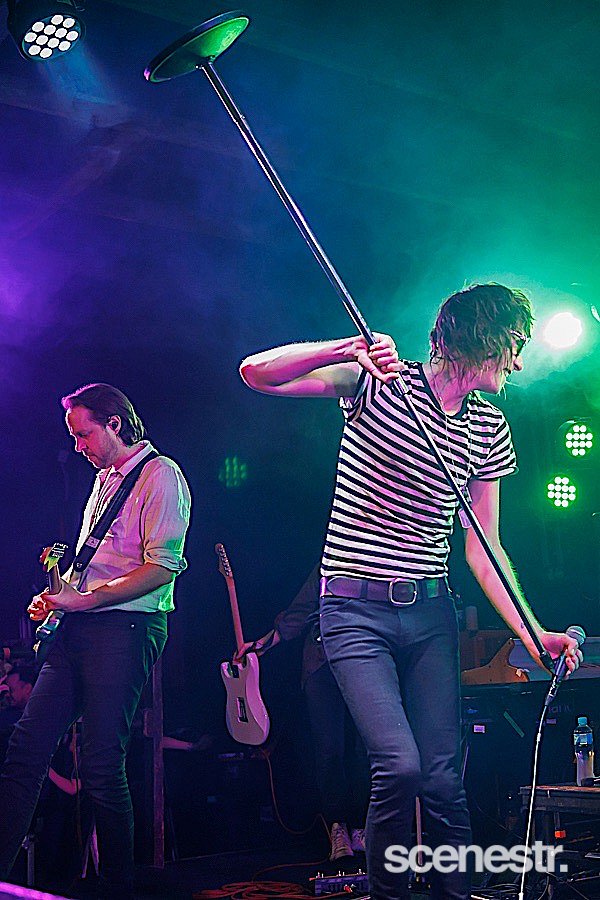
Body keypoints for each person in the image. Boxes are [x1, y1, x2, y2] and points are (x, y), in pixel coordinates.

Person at [239, 283, 583, 900]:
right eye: (513, 343)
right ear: (477, 339)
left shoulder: (489, 427)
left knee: (443, 780)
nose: (518, 361)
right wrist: (345, 349)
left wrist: (534, 634)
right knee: (399, 766)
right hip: (352, 612)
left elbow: (485, 549)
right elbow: (256, 374)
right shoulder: (378, 383)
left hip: (428, 615)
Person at [0, 383, 191, 899]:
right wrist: (59, 596)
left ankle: (116, 889)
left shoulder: (162, 475)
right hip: (81, 626)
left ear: (115, 424)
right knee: (25, 750)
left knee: (102, 765)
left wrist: (84, 601)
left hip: (127, 629)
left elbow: (161, 567)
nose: (78, 446)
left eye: (84, 434)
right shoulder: (104, 478)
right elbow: (94, 562)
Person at [235, 565, 369, 861]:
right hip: (321, 663)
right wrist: (264, 643)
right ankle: (338, 827)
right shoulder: (329, 563)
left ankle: (361, 826)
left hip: (365, 663)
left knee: (365, 749)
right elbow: (301, 610)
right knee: (329, 749)